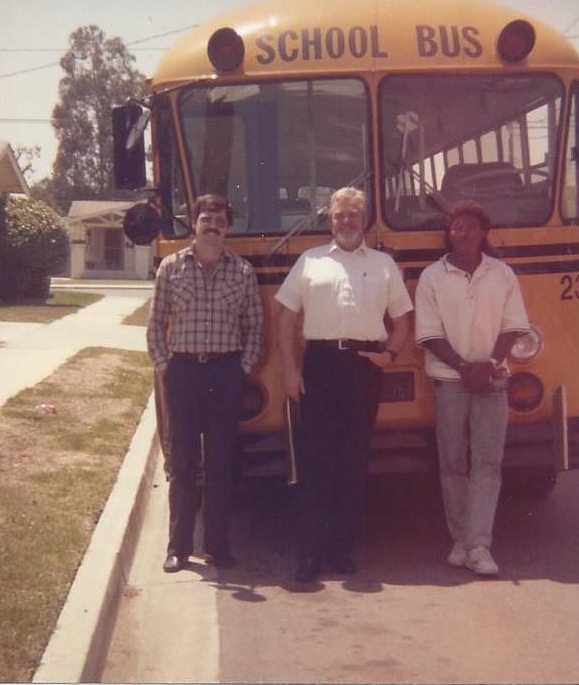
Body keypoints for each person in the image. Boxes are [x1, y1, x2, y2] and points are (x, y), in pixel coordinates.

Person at [276, 186, 413, 583]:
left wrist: (388, 354)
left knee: (353, 464)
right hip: (318, 365)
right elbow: (285, 317)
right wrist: (289, 369)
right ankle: (309, 555)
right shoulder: (310, 261)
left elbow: (403, 320)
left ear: (365, 219)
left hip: (363, 367)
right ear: (330, 220)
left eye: (353, 214)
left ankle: (341, 551)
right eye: (339, 215)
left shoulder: (384, 265)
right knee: (314, 464)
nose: (346, 222)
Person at [146, 194, 264, 573]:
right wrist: (166, 368)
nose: (213, 227)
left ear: (228, 228)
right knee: (182, 464)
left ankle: (217, 546)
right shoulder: (170, 268)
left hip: (224, 374)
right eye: (206, 220)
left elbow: (255, 326)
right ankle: (178, 548)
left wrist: (241, 369)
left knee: (220, 465)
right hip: (183, 372)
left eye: (220, 222)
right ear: (194, 224)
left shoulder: (242, 272)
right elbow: (154, 326)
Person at [414, 199, 529, 576]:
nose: (461, 232)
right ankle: (459, 539)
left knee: (488, 462)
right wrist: (465, 368)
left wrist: (491, 365)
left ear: (483, 234)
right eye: (455, 226)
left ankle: (479, 544)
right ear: (448, 233)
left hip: (492, 379)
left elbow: (514, 326)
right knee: (452, 460)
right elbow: (429, 334)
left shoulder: (502, 274)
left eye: (469, 226)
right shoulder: (432, 276)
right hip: (450, 381)